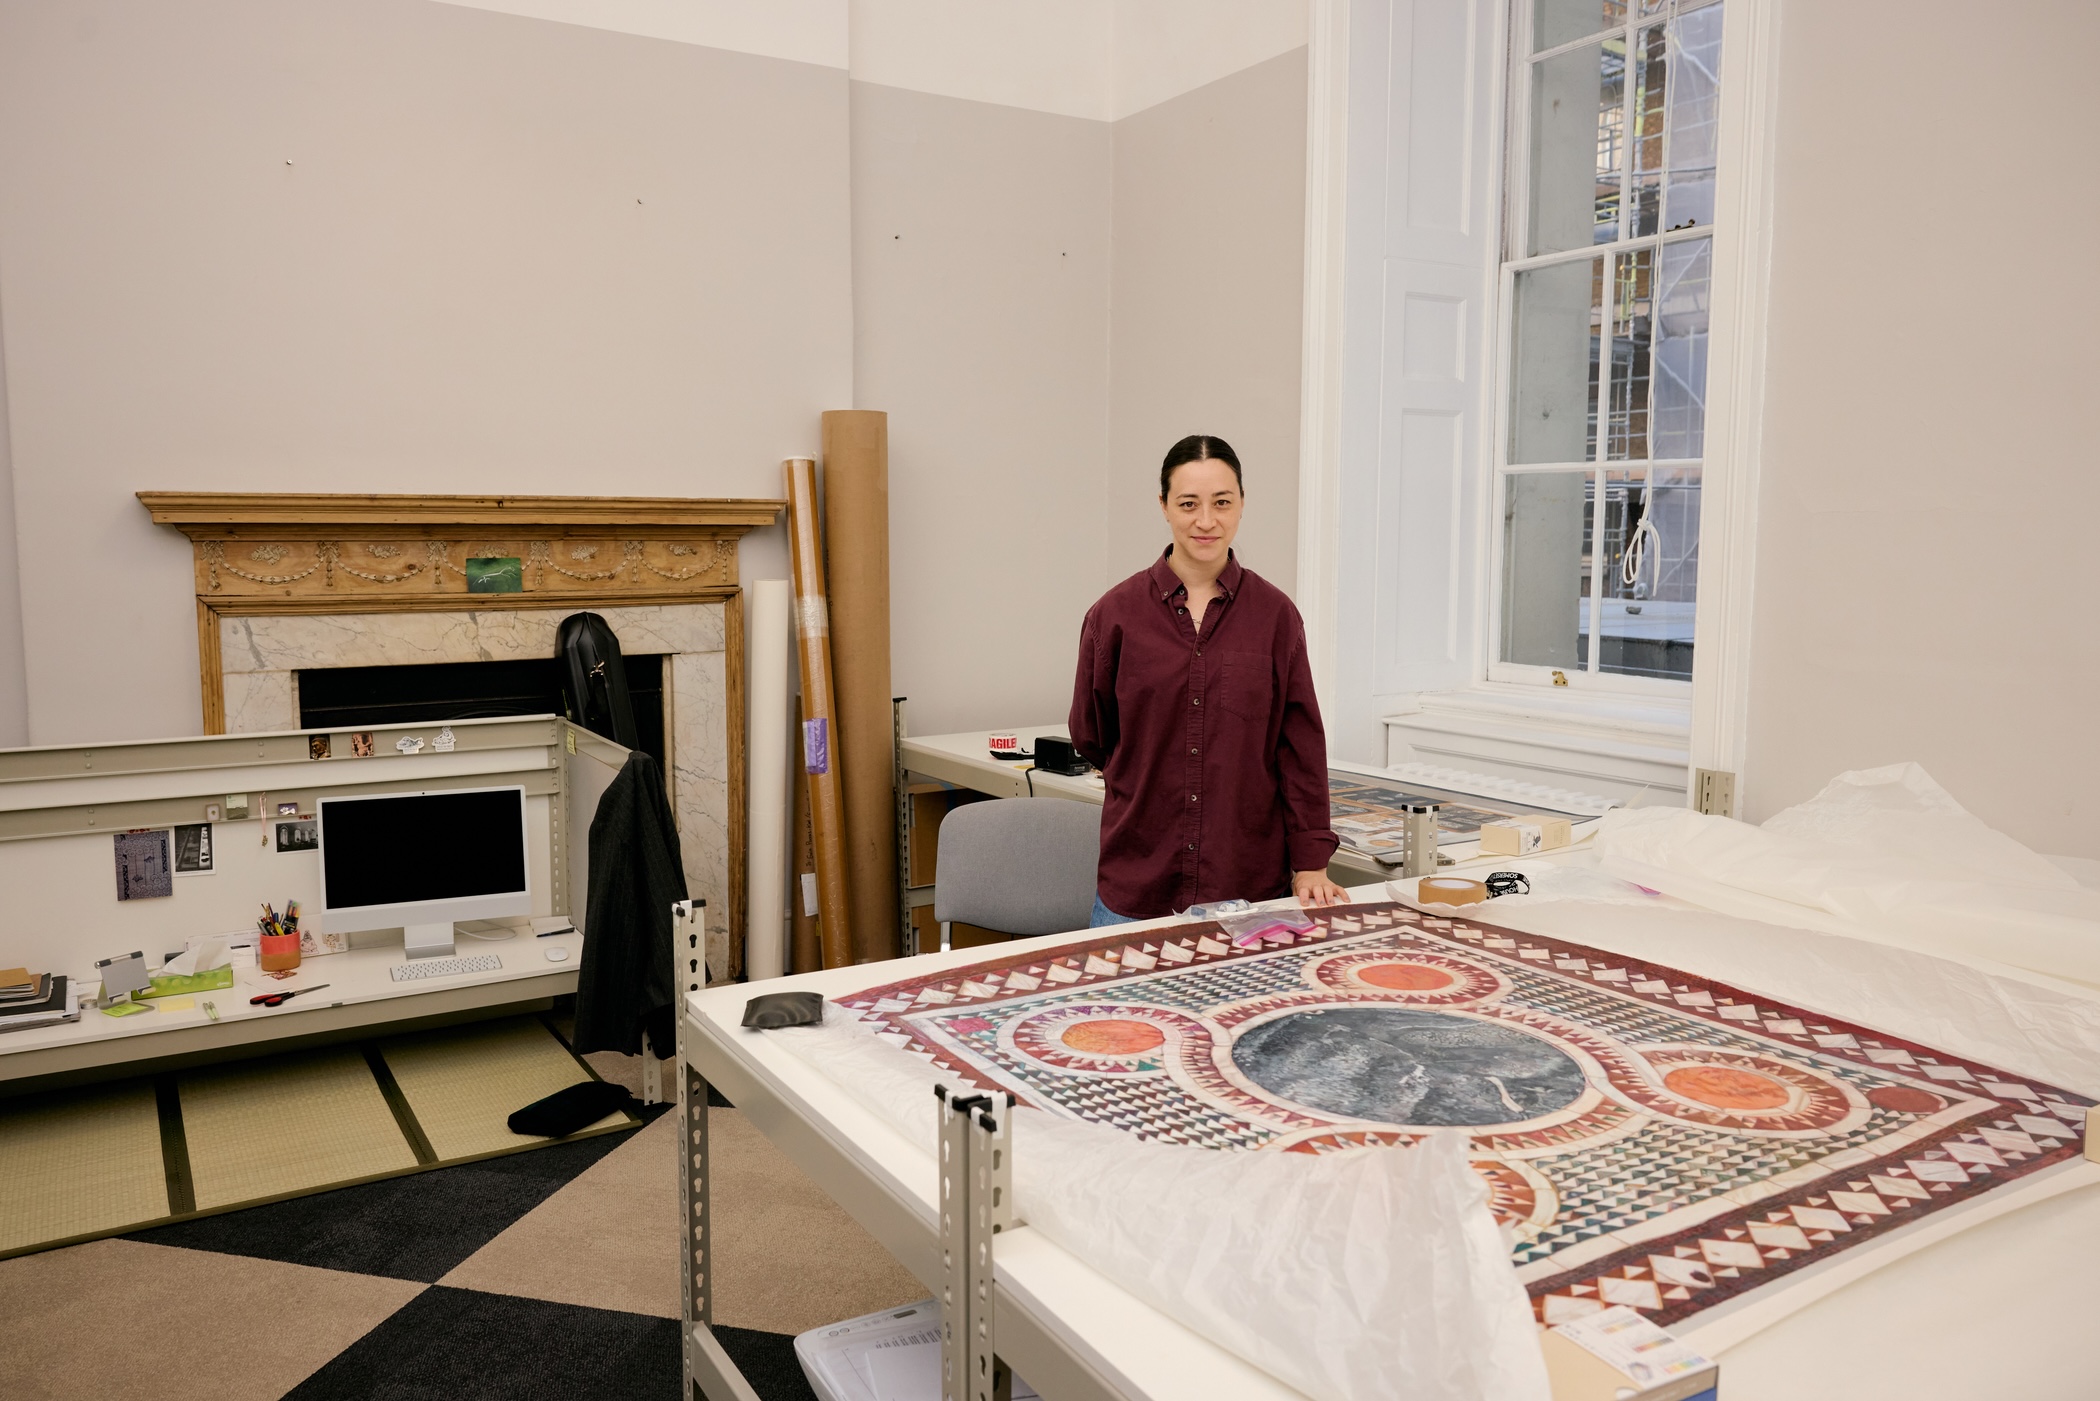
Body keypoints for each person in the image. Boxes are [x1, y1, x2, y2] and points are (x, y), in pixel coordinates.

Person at [1069, 435, 1344, 926]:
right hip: (1137, 886)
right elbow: (1092, 735)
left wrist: (1311, 862)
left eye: (1222, 502)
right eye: (1188, 504)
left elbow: (1299, 746)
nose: (1206, 521)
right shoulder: (1114, 615)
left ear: (1241, 504)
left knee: (1250, 1008)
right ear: (1163, 506)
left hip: (1249, 889)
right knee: (1127, 1008)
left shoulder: (1276, 617)